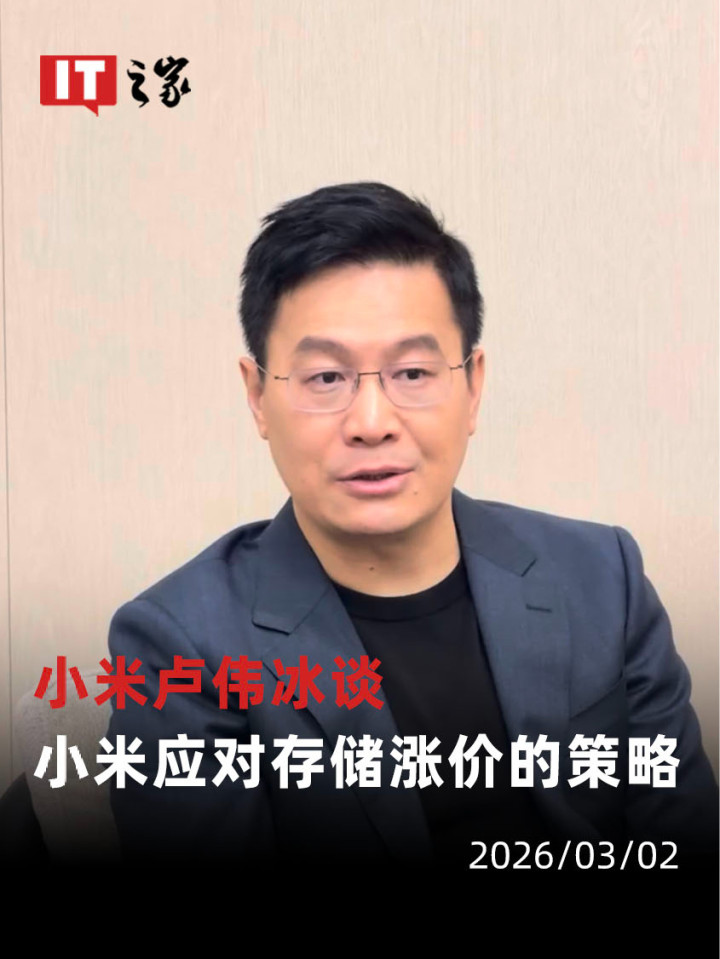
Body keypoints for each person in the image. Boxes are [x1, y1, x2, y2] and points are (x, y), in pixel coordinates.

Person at [107, 181, 717, 880]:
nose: (372, 421)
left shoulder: (602, 577)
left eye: (413, 372)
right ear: (258, 397)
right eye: (326, 377)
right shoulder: (178, 645)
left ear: (473, 386)